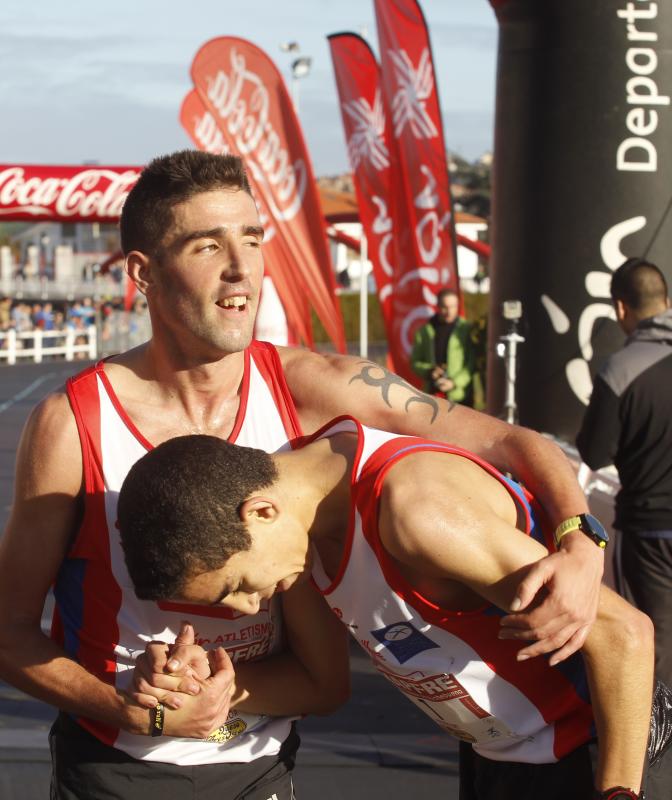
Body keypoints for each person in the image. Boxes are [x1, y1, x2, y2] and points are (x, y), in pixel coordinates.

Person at [0, 150, 604, 799]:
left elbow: (512, 441)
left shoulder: (319, 389)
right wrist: (130, 709)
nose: (241, 268)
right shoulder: (75, 424)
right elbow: (8, 631)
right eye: (208, 245)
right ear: (143, 273)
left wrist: (579, 538)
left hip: (263, 761)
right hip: (116, 768)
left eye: (252, 238)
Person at [116, 421, 669, 800]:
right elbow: (323, 686)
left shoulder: (416, 514)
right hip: (503, 756)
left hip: (604, 752)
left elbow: (624, 635)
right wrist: (208, 688)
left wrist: (620, 792)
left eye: (235, 585)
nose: (246, 608)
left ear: (260, 510)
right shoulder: (307, 505)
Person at [577, 257, 672, 690]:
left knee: (656, 641)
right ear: (667, 300)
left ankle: (655, 750)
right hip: (650, 526)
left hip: (650, 531)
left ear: (620, 308)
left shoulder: (621, 369)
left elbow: (594, 453)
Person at [411, 288, 475, 405]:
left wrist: (454, 382)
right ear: (438, 306)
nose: (449, 311)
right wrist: (430, 371)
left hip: (460, 396)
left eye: (453, 306)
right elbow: (415, 362)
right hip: (433, 395)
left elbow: (471, 363)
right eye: (445, 307)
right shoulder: (424, 331)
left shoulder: (466, 329)